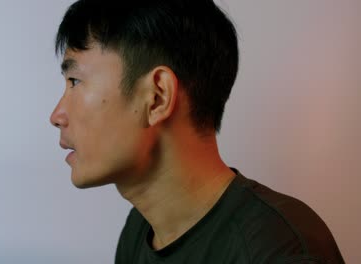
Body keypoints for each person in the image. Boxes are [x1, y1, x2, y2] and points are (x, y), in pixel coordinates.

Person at [50, 0, 345, 263]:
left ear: (157, 97)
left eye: (75, 81)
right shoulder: (138, 230)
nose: (56, 116)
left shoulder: (278, 249)